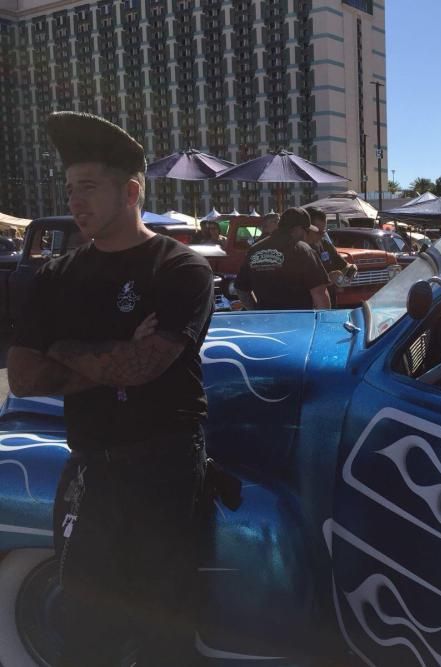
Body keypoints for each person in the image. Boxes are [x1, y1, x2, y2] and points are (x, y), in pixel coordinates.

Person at [7, 111, 214, 666]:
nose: (75, 202)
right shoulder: (55, 276)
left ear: (130, 192)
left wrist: (64, 349)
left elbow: (141, 367)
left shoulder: (180, 269)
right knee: (85, 621)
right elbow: (23, 379)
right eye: (70, 189)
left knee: (165, 624)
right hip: (90, 464)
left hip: (164, 465)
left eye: (89, 187)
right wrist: (113, 353)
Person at [234, 206, 330, 310]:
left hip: (266, 318)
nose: (307, 235)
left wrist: (256, 311)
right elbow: (319, 294)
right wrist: (324, 318)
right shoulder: (303, 251)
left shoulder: (255, 250)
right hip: (298, 318)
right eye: (306, 231)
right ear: (298, 229)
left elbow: (241, 290)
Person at [306, 207, 354, 307]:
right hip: (309, 307)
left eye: (324, 232)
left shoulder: (325, 245)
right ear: (306, 228)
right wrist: (328, 279)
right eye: (318, 232)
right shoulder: (298, 251)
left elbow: (345, 265)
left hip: (330, 305)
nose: (321, 236)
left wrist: (348, 274)